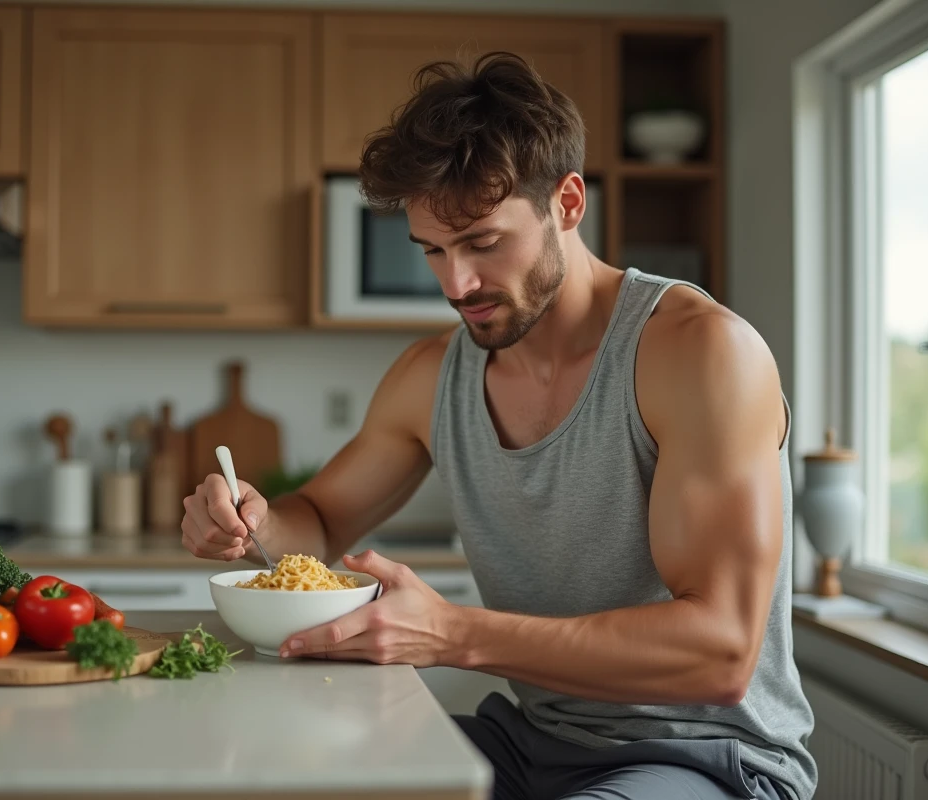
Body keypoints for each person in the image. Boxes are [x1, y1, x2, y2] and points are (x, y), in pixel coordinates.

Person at [181, 52, 815, 800]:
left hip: (705, 759)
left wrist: (455, 634)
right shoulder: (431, 375)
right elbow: (317, 518)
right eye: (434, 252)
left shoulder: (700, 353)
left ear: (568, 204)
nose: (457, 286)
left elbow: (720, 654)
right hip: (531, 744)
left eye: (482, 243)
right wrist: (249, 520)